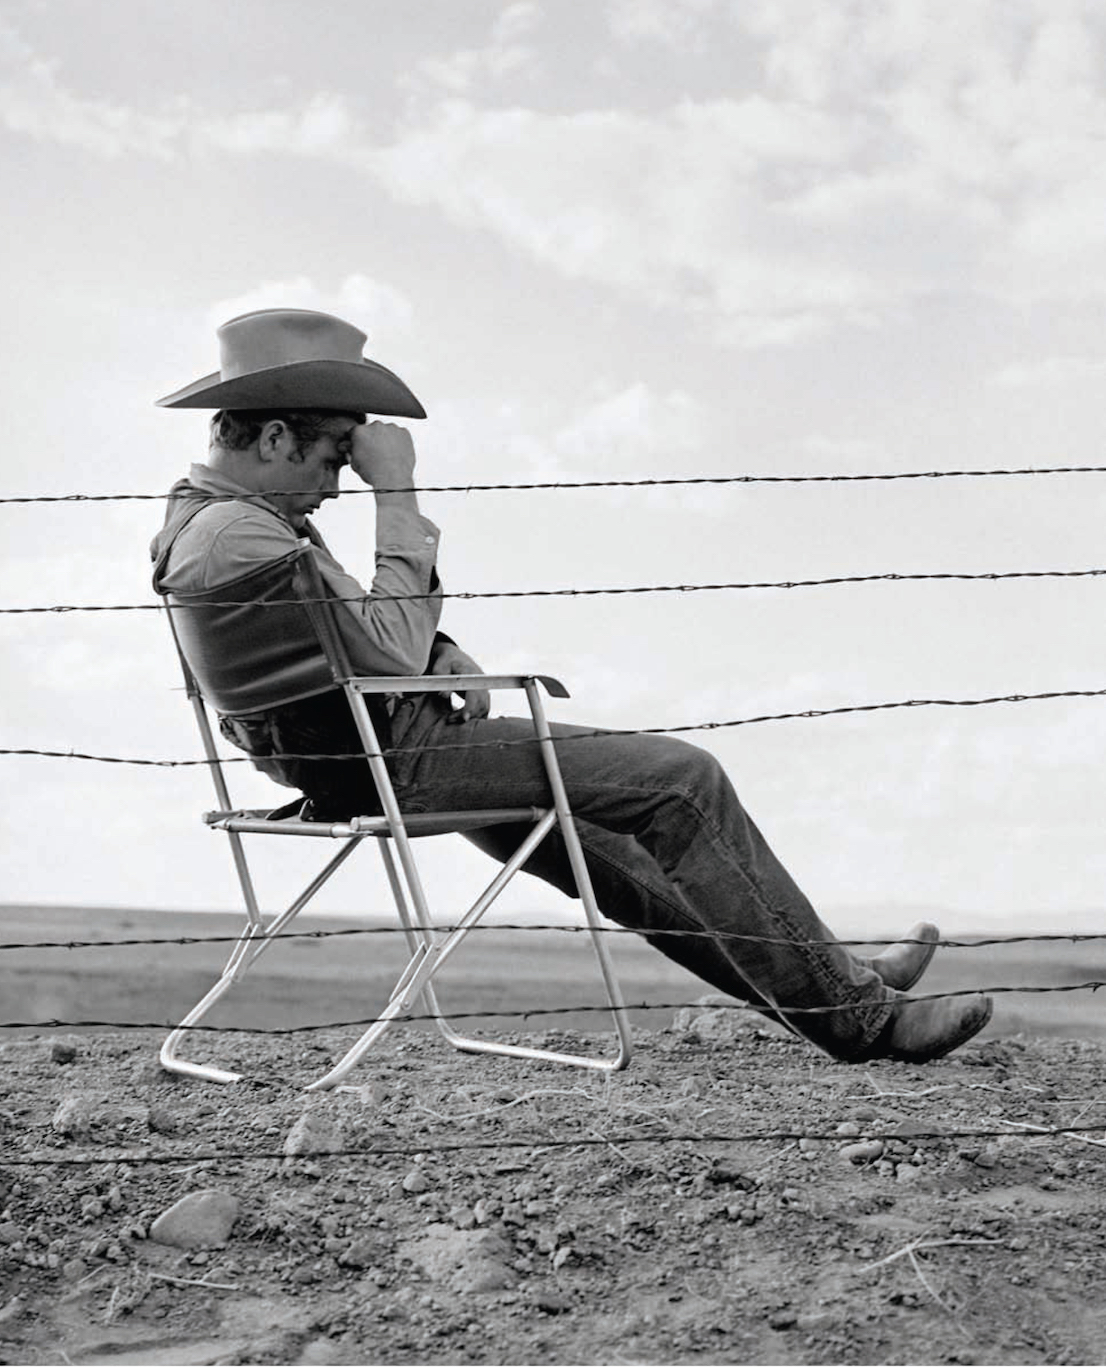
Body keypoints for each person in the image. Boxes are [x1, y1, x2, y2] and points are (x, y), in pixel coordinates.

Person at [151, 307, 993, 1064]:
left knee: (618, 856)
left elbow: (340, 641)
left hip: (359, 753)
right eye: (335, 453)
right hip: (392, 759)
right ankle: (860, 1017)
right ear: (271, 441)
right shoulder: (240, 536)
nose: (340, 482)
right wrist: (399, 495)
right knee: (680, 780)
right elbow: (376, 645)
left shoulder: (221, 526)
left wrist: (438, 649)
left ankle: (834, 984)